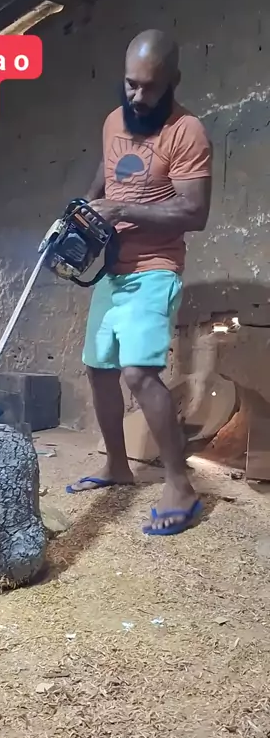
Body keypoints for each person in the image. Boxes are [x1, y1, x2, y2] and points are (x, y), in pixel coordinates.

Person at [66, 29, 213, 537]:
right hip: (112, 268)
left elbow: (194, 212)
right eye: (131, 84)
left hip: (154, 267)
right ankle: (117, 465)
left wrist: (121, 209)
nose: (137, 96)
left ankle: (181, 486)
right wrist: (79, 216)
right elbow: (105, 176)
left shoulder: (187, 132)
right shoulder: (114, 121)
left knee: (138, 373)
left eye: (149, 87)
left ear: (173, 81)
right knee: (99, 369)